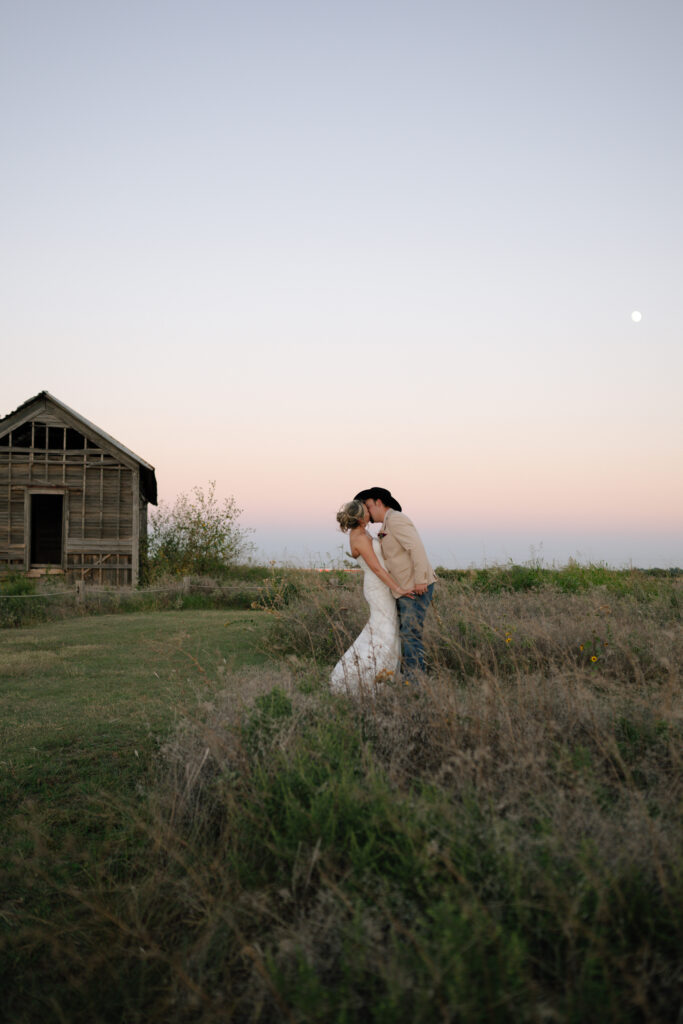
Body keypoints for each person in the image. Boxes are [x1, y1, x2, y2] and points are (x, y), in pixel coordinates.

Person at [330, 499, 413, 695]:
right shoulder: (358, 538)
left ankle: (384, 676)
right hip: (378, 587)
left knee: (388, 628)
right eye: (366, 511)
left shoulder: (363, 533)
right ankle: (364, 676)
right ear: (360, 517)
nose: (369, 512)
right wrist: (397, 588)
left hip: (383, 585)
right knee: (383, 628)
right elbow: (376, 568)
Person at [354, 487, 436, 681]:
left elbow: (415, 547)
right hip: (405, 588)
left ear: (378, 502)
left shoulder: (397, 519)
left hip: (415, 586)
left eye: (368, 505)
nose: (367, 510)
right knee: (406, 633)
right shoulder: (386, 525)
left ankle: (416, 682)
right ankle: (408, 677)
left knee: (410, 634)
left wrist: (421, 580)